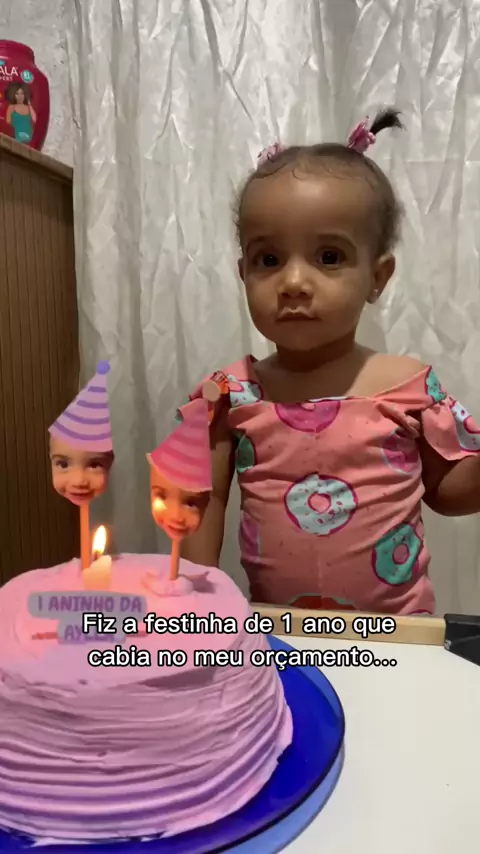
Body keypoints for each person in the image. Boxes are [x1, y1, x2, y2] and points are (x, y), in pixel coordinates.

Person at [180, 109, 480, 615]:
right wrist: (196, 603)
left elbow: (450, 493)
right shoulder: (231, 394)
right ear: (243, 273)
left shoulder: (407, 387)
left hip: (400, 637)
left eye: (329, 257)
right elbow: (200, 499)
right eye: (269, 260)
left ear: (377, 278)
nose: (294, 282)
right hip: (280, 636)